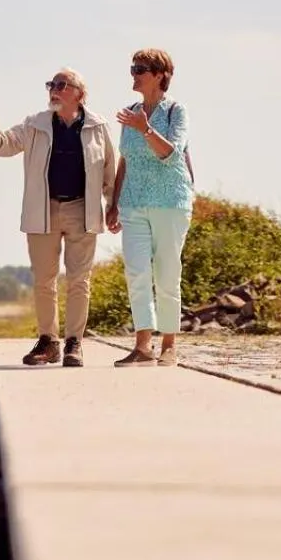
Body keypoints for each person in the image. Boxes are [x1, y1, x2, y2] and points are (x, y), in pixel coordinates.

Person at [0, 68, 120, 367]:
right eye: (51, 84)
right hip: (44, 210)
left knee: (79, 281)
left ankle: (74, 344)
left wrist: (113, 206)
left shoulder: (97, 125)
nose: (54, 89)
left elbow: (109, 171)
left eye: (61, 85)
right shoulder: (34, 124)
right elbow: (0, 144)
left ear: (79, 93)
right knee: (44, 280)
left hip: (83, 210)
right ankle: (48, 341)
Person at [110, 49, 194, 367]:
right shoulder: (129, 112)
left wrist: (145, 128)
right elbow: (125, 159)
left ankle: (169, 343)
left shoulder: (176, 111)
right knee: (136, 271)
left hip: (170, 202)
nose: (134, 73)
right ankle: (143, 345)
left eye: (140, 68)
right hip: (133, 203)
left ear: (160, 74)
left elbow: (170, 154)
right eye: (132, 67)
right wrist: (114, 203)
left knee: (167, 272)